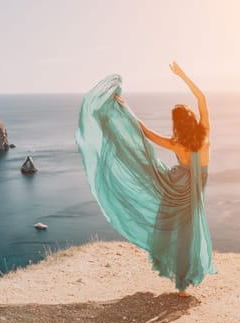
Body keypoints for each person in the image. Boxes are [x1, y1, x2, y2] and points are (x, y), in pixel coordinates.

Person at [76, 62, 216, 296]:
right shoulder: (205, 135)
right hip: (193, 190)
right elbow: (201, 97)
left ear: (177, 125)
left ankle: (181, 281)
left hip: (176, 188)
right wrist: (183, 75)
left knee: (175, 231)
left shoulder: (175, 143)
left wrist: (126, 109)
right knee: (189, 233)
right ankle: (185, 278)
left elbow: (145, 132)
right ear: (192, 118)